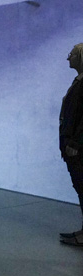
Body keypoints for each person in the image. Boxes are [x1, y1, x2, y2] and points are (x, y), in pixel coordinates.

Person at [59, 43, 83, 246]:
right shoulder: (78, 82)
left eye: (72, 55)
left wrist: (75, 142)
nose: (68, 58)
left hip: (77, 148)